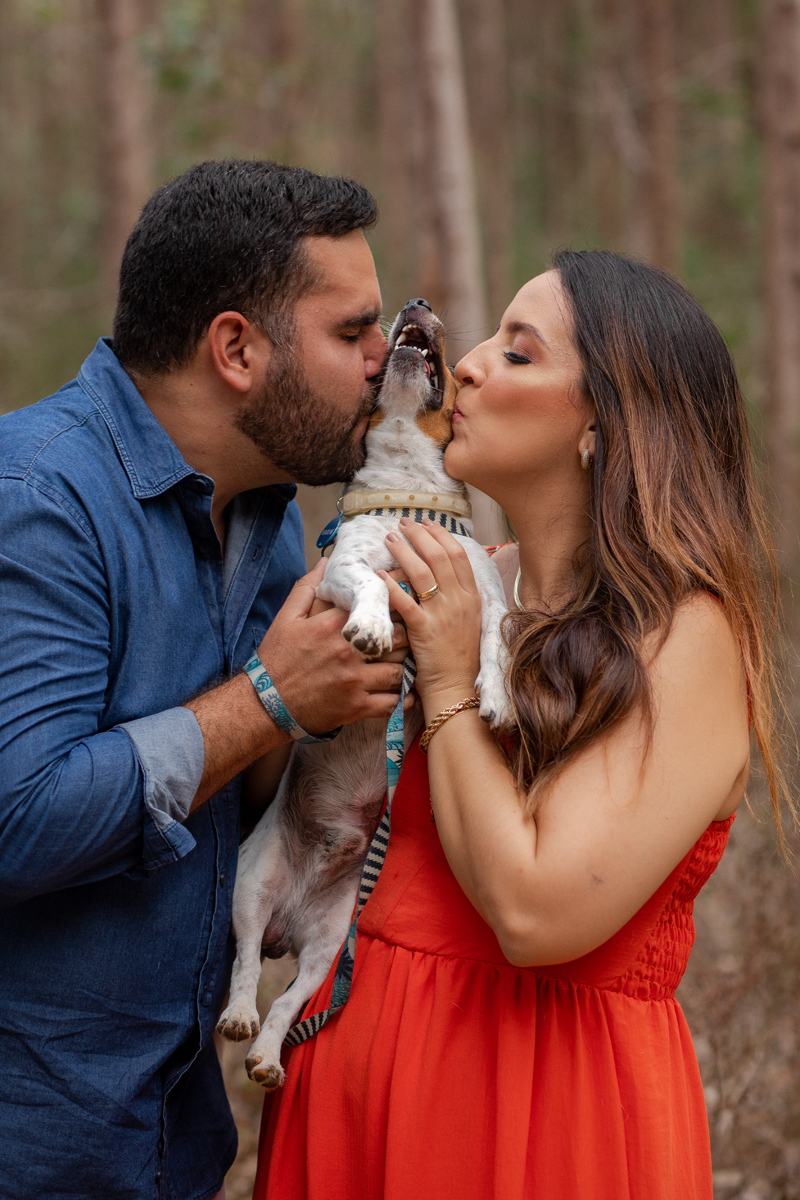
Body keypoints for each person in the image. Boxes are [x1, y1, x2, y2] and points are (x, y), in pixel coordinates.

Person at [253, 250, 790, 1199]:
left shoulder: (684, 636)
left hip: (540, 1119)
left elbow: (538, 912)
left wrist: (449, 678)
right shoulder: (445, 579)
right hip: (350, 1101)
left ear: (601, 424)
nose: (465, 364)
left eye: (518, 352)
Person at [0, 160, 412, 1200]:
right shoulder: (37, 499)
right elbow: (17, 817)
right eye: (352, 332)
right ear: (235, 348)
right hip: (36, 1145)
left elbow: (254, 806)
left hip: (176, 1143)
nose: (384, 359)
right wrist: (270, 699)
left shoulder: (271, 524)